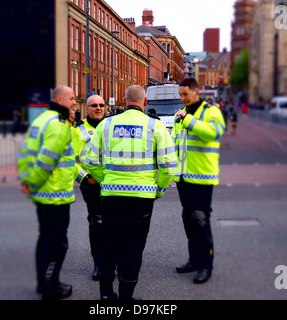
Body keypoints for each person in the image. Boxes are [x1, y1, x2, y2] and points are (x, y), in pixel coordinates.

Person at [81, 85, 178, 300]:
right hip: (142, 197)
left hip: (112, 195)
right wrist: (159, 189)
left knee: (109, 244)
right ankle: (126, 297)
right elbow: (170, 165)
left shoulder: (106, 124)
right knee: (134, 248)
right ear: (145, 103)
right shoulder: (156, 126)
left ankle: (106, 296)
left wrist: (105, 179)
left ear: (124, 102)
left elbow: (89, 159)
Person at [17, 85, 82, 300]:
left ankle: (42, 283)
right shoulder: (59, 124)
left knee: (45, 239)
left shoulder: (42, 120)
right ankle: (50, 287)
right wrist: (34, 183)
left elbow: (26, 152)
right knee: (57, 243)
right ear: (60, 99)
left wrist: (28, 181)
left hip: (43, 194)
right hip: (54, 194)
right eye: (72, 99)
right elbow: (47, 159)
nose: (74, 102)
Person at [172, 77, 225, 284]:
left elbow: (213, 133)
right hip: (183, 176)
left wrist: (188, 120)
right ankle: (193, 260)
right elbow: (177, 145)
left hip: (203, 176)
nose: (182, 98)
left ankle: (205, 265)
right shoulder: (181, 116)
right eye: (180, 95)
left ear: (196, 92)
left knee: (199, 219)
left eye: (185, 94)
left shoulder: (211, 111)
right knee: (188, 219)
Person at [73, 95, 106, 281]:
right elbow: (70, 160)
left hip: (112, 183)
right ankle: (98, 264)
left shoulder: (110, 126)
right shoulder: (78, 130)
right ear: (87, 108)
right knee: (97, 223)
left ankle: (112, 261)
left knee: (114, 224)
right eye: (94, 105)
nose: (98, 108)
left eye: (101, 105)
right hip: (91, 184)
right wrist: (85, 178)